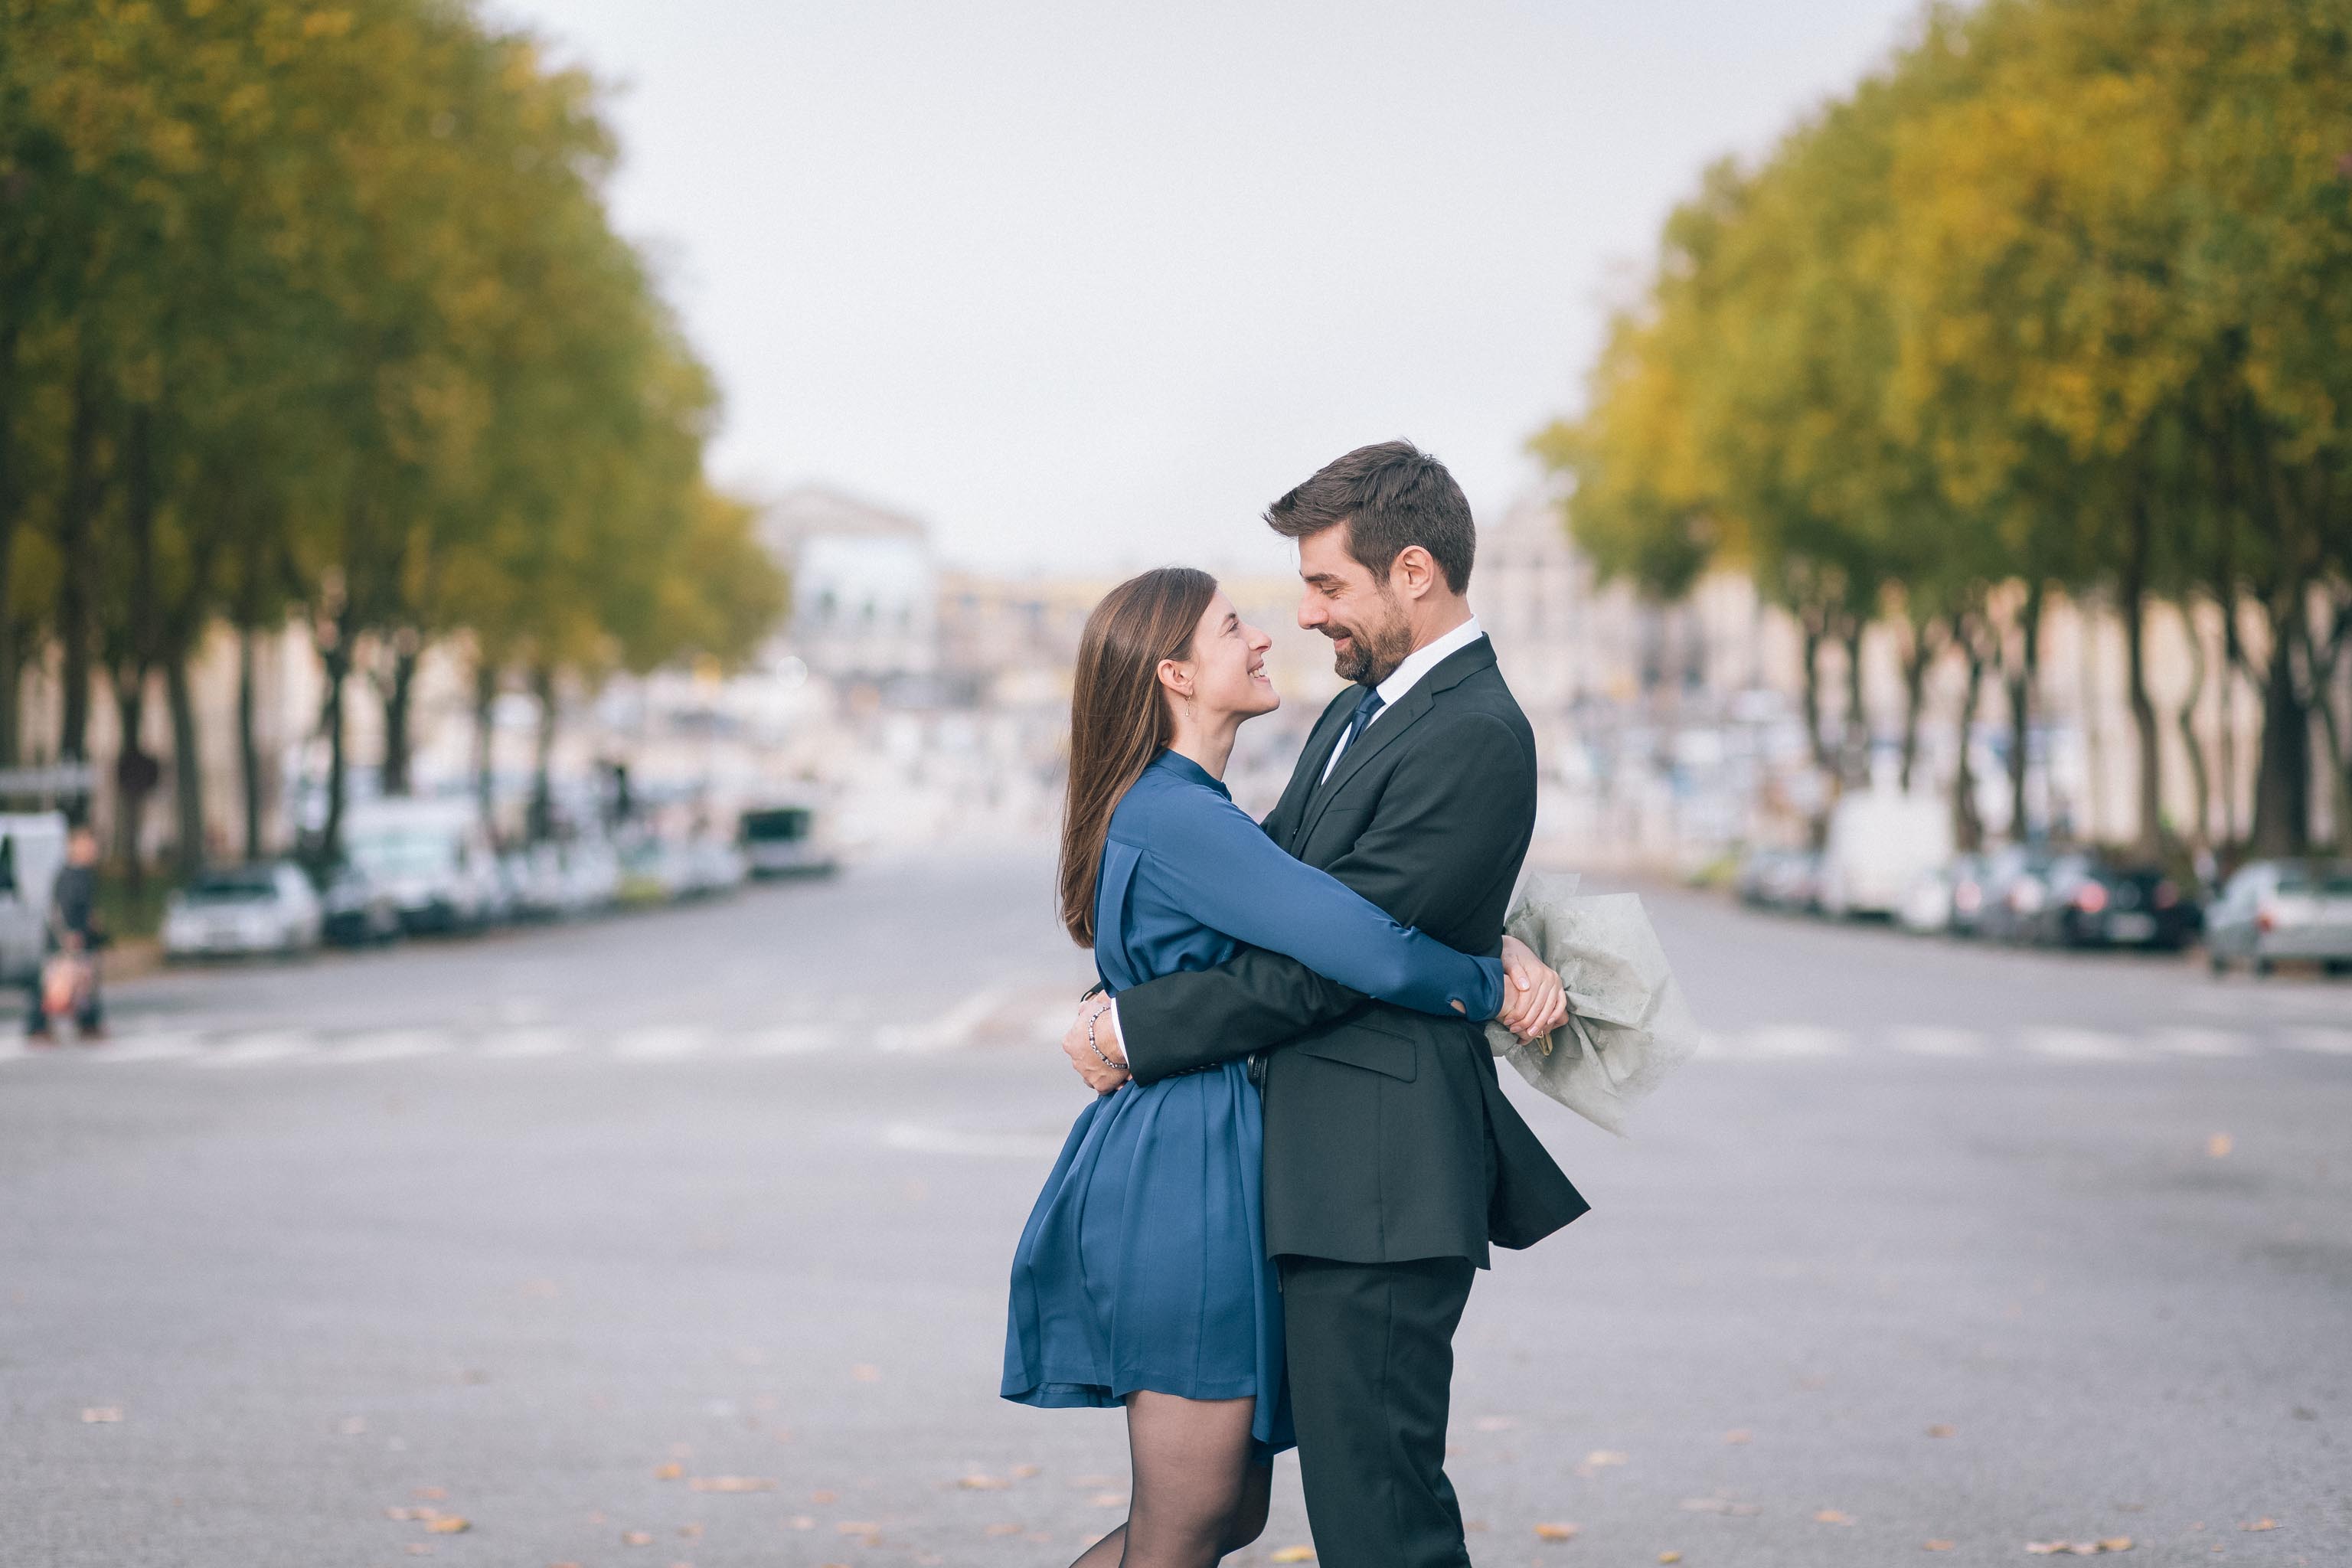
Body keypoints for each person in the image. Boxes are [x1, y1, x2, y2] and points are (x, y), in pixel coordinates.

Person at [1063, 443, 1591, 1568]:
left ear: (1413, 573)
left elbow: (1324, 961)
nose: (1302, 617)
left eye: (1326, 586)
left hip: (1379, 1180)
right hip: (1306, 1176)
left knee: (1375, 1522)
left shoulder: (1470, 731)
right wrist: (1482, 955)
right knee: (1256, 1515)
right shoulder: (1356, 718)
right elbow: (1299, 910)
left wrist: (1134, 1027)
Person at [27, 825, 106, 1042]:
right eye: (87, 843)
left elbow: (85, 908)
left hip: (81, 938)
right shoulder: (68, 874)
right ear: (73, 847)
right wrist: (68, 935)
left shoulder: (86, 875)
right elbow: (58, 909)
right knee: (56, 983)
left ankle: (89, 1024)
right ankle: (38, 1027)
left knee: (83, 982)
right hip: (66, 940)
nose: (92, 848)